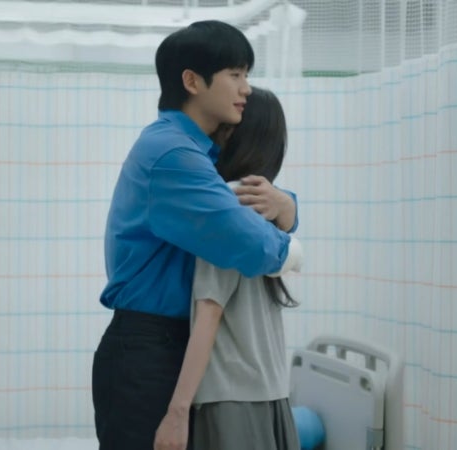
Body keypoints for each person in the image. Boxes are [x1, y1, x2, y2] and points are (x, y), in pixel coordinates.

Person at [92, 21, 300, 450]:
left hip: (163, 344)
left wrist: (287, 206)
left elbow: (241, 200)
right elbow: (248, 241)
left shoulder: (194, 152)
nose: (245, 88)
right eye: (235, 74)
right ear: (192, 81)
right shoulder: (174, 155)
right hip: (148, 349)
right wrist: (295, 249)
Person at [154, 87, 302, 450]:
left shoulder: (227, 204)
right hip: (270, 389)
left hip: (232, 397)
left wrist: (177, 411)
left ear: (235, 133)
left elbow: (210, 311)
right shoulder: (267, 201)